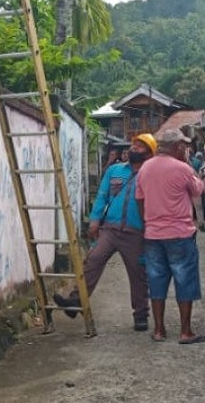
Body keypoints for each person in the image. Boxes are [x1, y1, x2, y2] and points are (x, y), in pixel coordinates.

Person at [53, 133, 157, 331]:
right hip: (109, 229)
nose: (134, 148)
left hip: (136, 232)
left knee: (138, 274)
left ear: (150, 154)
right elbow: (102, 196)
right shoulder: (115, 170)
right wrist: (94, 220)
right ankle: (76, 301)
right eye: (134, 144)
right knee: (92, 261)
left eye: (140, 146)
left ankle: (141, 314)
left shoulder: (151, 174)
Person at [136, 128, 205, 344]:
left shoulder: (145, 168)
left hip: (153, 233)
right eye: (184, 146)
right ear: (178, 147)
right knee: (184, 279)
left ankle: (159, 330)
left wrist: (148, 222)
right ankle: (185, 331)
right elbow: (198, 190)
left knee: (156, 280)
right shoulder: (183, 168)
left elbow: (140, 199)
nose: (186, 149)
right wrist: (189, 166)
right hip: (179, 233)